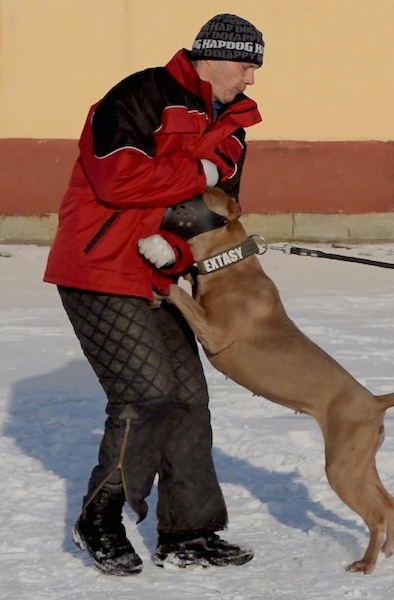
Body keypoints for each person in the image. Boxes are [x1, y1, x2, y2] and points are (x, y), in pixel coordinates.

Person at [43, 14, 264, 576]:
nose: (252, 79)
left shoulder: (235, 132)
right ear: (213, 56)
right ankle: (99, 520)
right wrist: (199, 170)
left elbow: (215, 222)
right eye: (246, 64)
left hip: (161, 279)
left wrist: (180, 253)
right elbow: (117, 177)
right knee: (146, 395)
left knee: (188, 398)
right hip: (98, 267)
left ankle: (188, 533)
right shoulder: (141, 95)